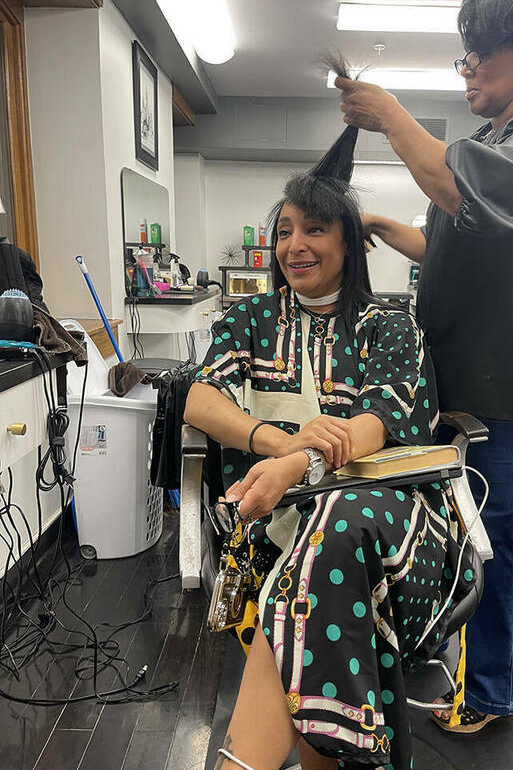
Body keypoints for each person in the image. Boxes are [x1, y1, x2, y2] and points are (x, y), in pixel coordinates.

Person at [334, 0, 513, 733]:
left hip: (512, 378)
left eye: (481, 55)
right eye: (464, 57)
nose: (469, 70)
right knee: (467, 521)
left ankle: (494, 692)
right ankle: (460, 654)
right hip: (465, 372)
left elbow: (478, 195)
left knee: (501, 532)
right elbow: (454, 239)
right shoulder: (489, 140)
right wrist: (385, 228)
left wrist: (389, 115)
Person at [184, 169, 476, 769]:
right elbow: (199, 399)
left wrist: (299, 463)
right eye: (284, 231)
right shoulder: (252, 320)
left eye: (314, 229)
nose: (295, 245)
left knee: (331, 539)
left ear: (348, 241)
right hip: (279, 529)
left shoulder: (389, 325)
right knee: (312, 571)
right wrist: (274, 440)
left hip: (388, 521)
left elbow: (380, 423)